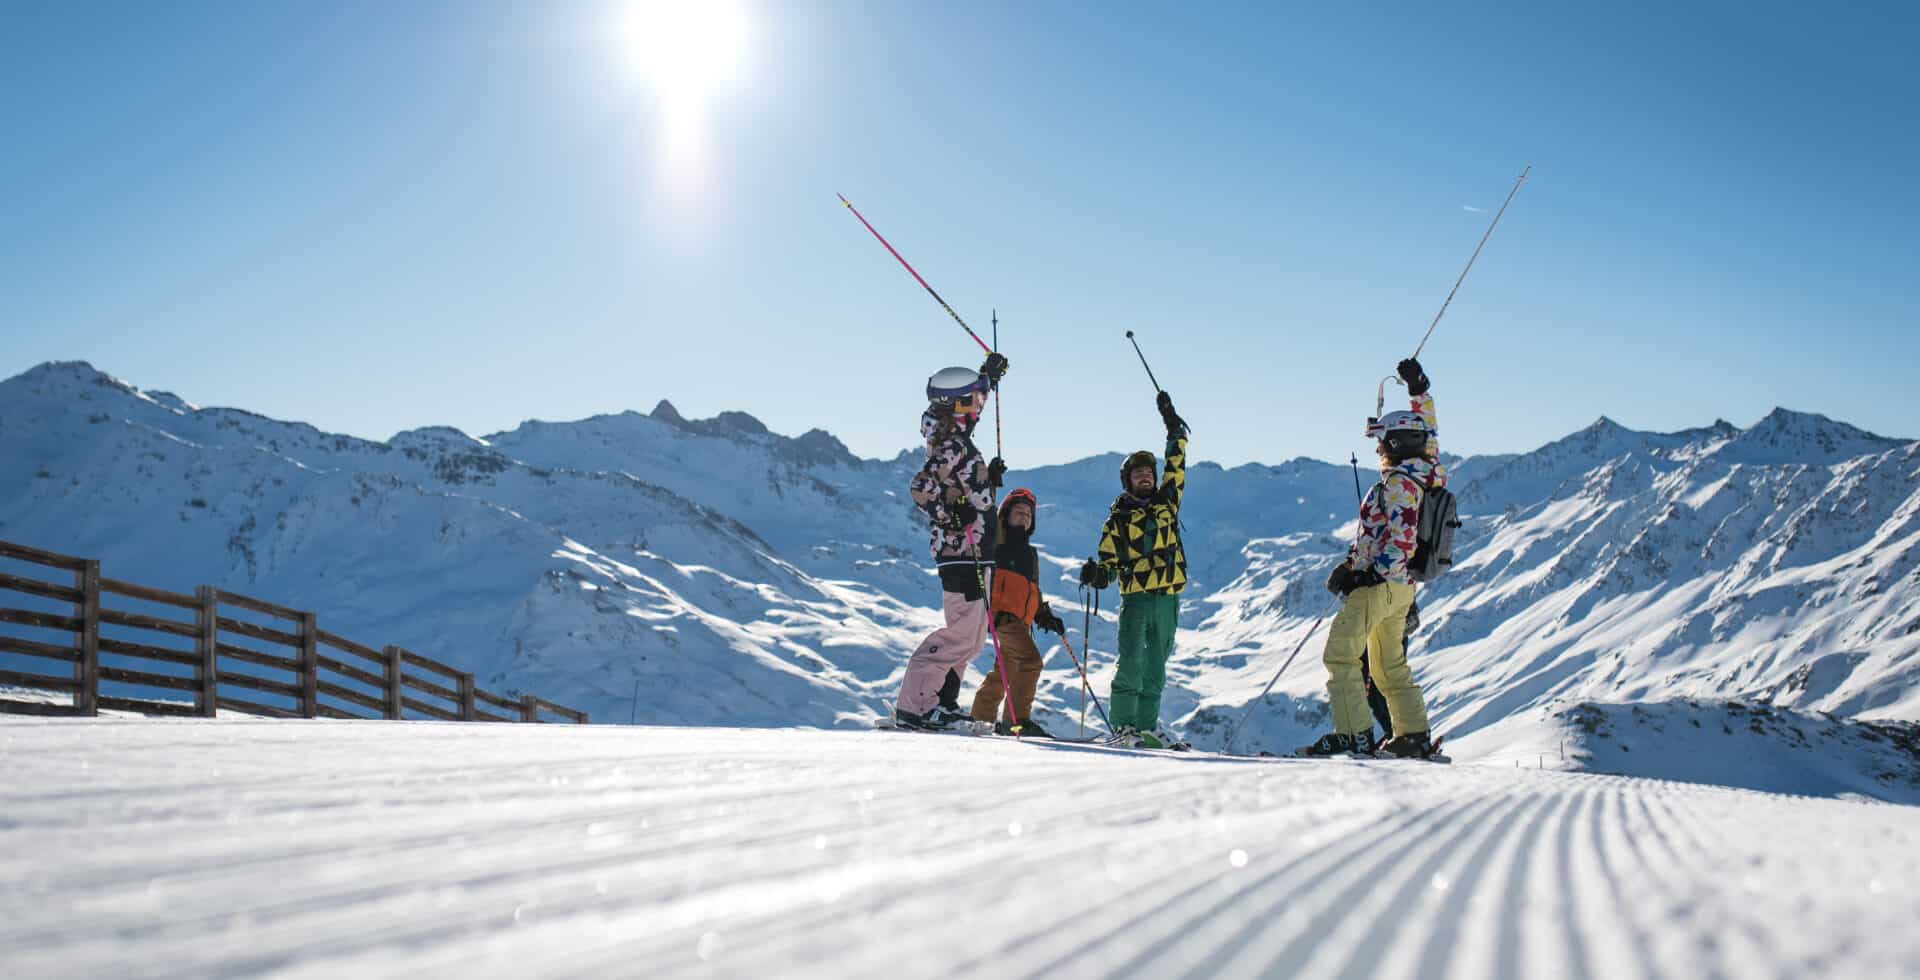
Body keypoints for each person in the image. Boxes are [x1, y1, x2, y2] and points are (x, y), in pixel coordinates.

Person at [1302, 357, 1445, 758]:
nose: (1379, 448)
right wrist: (1418, 391)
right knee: (1388, 665)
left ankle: (1354, 735)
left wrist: (1365, 576)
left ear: (1396, 444)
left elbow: (1398, 541)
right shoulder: (1426, 468)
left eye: (1382, 441)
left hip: (1381, 587)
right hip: (1403, 591)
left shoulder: (1400, 483)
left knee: (1341, 654)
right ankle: (1412, 735)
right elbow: (1428, 429)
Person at [894, 355, 1009, 729]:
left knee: (972, 639)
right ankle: (916, 707)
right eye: (972, 401)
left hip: (977, 549)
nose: (978, 407)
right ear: (955, 406)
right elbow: (921, 487)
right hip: (961, 551)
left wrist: (986, 378)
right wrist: (950, 515)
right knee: (960, 634)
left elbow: (964, 488)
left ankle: (943, 703)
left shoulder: (957, 437)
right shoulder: (950, 445)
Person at [1079, 391, 1190, 750]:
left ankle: (1146, 729)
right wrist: (1099, 575)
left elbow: (1176, 463)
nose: (1146, 477)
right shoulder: (1118, 521)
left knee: (1156, 666)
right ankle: (1124, 727)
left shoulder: (1167, 502)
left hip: (1168, 597)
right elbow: (1108, 563)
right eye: (1138, 473)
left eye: (1149, 473)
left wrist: (1174, 428)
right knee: (1131, 661)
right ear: (1127, 480)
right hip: (1138, 598)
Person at [971, 488, 1068, 735]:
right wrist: (990, 484)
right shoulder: (997, 541)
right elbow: (983, 513)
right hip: (1002, 616)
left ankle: (979, 721)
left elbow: (1031, 589)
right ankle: (1017, 721)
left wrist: (1043, 614)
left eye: (1028, 514)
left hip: (1019, 619)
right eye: (1019, 512)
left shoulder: (1029, 553)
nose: (1024, 517)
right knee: (1031, 661)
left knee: (1004, 671)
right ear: (1006, 514)